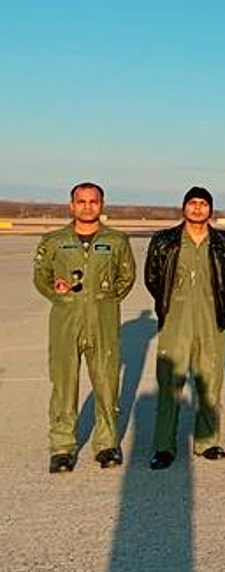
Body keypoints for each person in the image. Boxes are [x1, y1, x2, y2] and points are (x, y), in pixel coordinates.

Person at [33, 182, 136, 473]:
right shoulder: (54, 240)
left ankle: (106, 445)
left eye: (93, 201)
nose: (87, 206)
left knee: (106, 383)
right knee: (64, 384)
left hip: (102, 320)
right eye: (81, 201)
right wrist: (60, 296)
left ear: (101, 205)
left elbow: (126, 277)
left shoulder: (116, 240)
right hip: (66, 321)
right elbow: (41, 275)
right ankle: (62, 448)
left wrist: (106, 300)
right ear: (71, 205)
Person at [144, 187, 225, 470]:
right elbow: (153, 277)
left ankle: (207, 442)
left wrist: (216, 300)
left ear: (210, 209)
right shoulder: (165, 241)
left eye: (203, 204)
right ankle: (164, 447)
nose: (198, 208)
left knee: (210, 381)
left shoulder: (224, 242)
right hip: (176, 317)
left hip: (212, 318)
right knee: (170, 382)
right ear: (183, 207)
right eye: (192, 203)